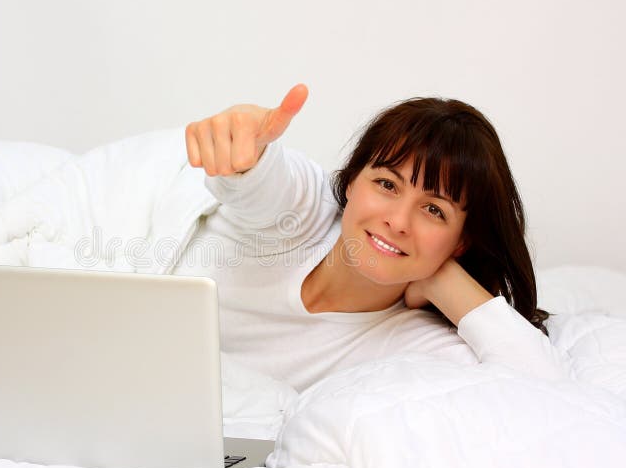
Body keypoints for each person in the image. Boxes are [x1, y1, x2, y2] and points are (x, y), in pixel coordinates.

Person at [175, 84, 566, 391]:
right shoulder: (303, 208)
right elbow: (263, 182)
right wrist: (244, 150)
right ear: (350, 183)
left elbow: (541, 388)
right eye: (386, 184)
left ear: (460, 242)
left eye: (434, 210)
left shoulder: (410, 342)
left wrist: (440, 278)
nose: (398, 221)